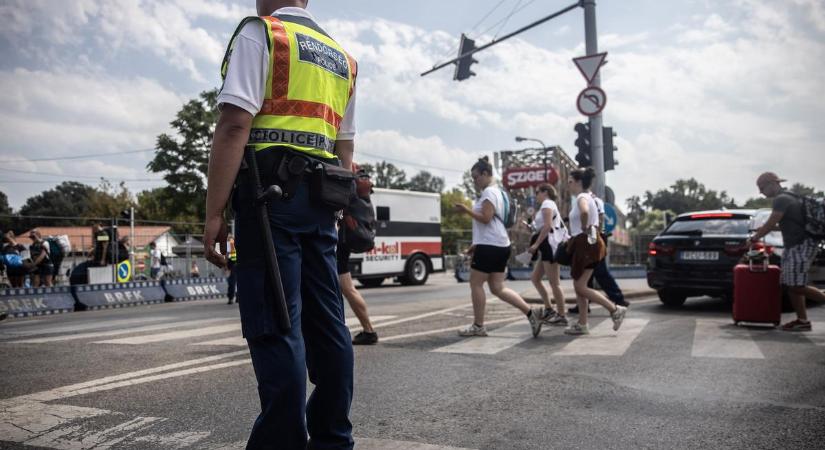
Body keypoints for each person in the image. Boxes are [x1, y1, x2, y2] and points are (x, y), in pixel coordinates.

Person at [203, 1, 358, 447]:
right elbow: (346, 148)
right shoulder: (341, 58)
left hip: (269, 201)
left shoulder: (263, 34)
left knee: (276, 323)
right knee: (329, 325)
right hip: (323, 200)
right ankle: (333, 438)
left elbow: (235, 126)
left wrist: (214, 212)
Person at [454, 157, 544, 338]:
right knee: (497, 287)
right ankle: (530, 312)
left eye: (476, 177)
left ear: (486, 174)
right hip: (500, 244)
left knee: (476, 283)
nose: (474, 181)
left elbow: (486, 218)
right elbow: (492, 224)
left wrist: (466, 210)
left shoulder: (488, 193)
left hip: (490, 246)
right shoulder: (499, 193)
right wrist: (474, 247)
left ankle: (478, 326)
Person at [750, 172, 825, 331]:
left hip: (800, 245)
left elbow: (772, 220)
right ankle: (802, 320)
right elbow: (790, 222)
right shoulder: (790, 197)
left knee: (796, 285)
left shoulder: (781, 199)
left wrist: (755, 237)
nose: (761, 192)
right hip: (796, 245)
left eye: (762, 188)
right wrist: (766, 229)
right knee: (790, 284)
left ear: (772, 184)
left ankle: (804, 318)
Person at [564, 168, 627, 335]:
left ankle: (614, 309)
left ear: (578, 182)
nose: (568, 185)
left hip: (586, 245)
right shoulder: (587, 197)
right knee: (580, 285)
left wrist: (584, 227)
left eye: (570, 181)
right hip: (588, 244)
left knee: (580, 286)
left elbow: (584, 211)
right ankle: (583, 324)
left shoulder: (582, 197)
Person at [527, 183, 568, 326]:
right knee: (535, 278)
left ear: (545, 192)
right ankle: (549, 308)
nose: (536, 195)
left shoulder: (547, 203)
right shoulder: (546, 205)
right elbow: (543, 226)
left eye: (537, 192)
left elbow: (548, 226)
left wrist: (536, 244)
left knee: (554, 283)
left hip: (550, 246)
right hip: (547, 246)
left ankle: (562, 315)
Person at [337, 226, 378, 345]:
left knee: (347, 288)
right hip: (341, 240)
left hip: (337, 238)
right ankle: (369, 330)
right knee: (348, 288)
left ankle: (369, 330)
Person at [226, 235, 238, 304]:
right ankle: (238, 297)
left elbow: (227, 254)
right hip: (239, 263)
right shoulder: (236, 243)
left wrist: (226, 265)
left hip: (233, 264)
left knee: (231, 282)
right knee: (238, 282)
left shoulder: (230, 243)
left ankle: (231, 298)